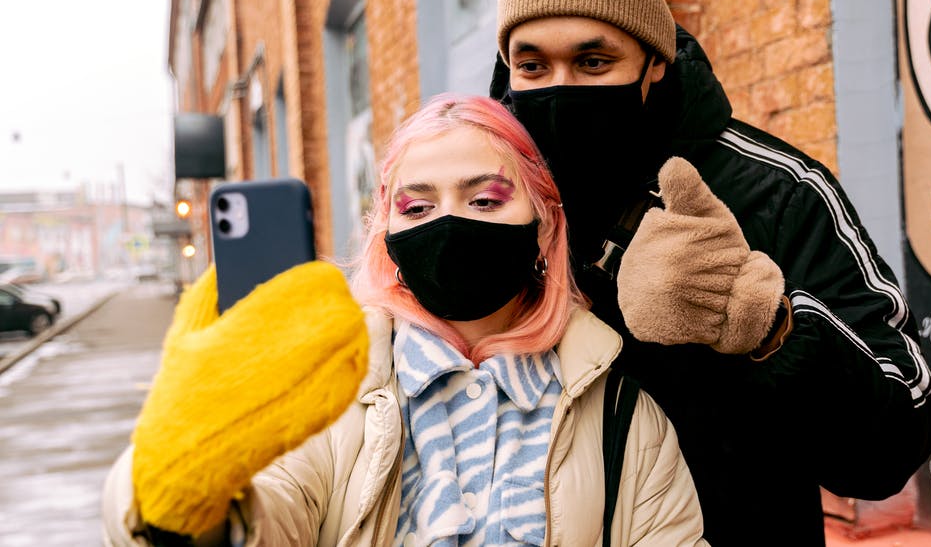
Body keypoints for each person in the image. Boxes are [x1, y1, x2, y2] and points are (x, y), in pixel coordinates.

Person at [488, 0, 931, 543]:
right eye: (532, 65)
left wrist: (770, 328)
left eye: (594, 61)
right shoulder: (487, 196)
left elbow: (900, 435)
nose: (560, 90)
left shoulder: (776, 192)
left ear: (654, 59)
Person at [102, 93, 708, 546]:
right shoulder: (332, 395)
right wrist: (173, 488)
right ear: (387, 234)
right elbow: (262, 521)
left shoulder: (624, 418)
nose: (448, 224)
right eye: (416, 205)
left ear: (544, 221)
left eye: (486, 199)